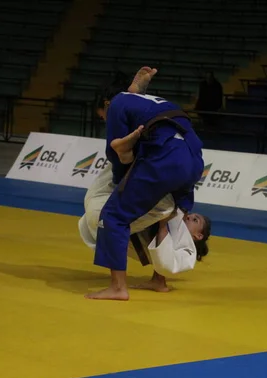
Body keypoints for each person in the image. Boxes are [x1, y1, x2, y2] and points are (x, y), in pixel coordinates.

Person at [86, 66, 206, 301]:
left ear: (106, 104)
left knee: (114, 215)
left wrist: (122, 186)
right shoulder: (152, 101)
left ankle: (118, 288)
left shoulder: (117, 105)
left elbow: (116, 153)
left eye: (102, 115)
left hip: (166, 159)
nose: (104, 120)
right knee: (167, 214)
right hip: (193, 159)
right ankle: (158, 279)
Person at [78, 160, 211, 293]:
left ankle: (137, 157)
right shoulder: (177, 225)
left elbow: (165, 263)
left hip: (103, 223)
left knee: (167, 208)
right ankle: (131, 157)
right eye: (193, 216)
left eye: (195, 220)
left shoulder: (188, 254)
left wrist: (164, 224)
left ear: (199, 235)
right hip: (104, 226)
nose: (189, 217)